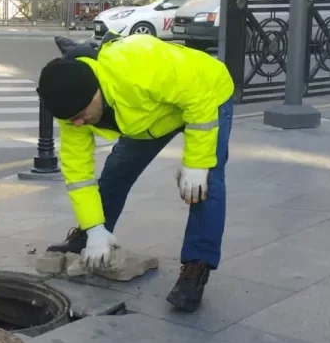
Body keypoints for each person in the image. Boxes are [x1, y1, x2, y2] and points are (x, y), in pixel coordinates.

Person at [39, 34, 235, 312]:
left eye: (82, 114)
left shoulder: (138, 63)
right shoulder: (73, 114)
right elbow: (79, 174)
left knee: (205, 185)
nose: (79, 123)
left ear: (95, 91)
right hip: (147, 117)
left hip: (207, 95)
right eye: (72, 120)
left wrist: (197, 161)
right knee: (117, 170)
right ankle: (89, 237)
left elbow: (199, 94)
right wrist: (94, 226)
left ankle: (197, 267)